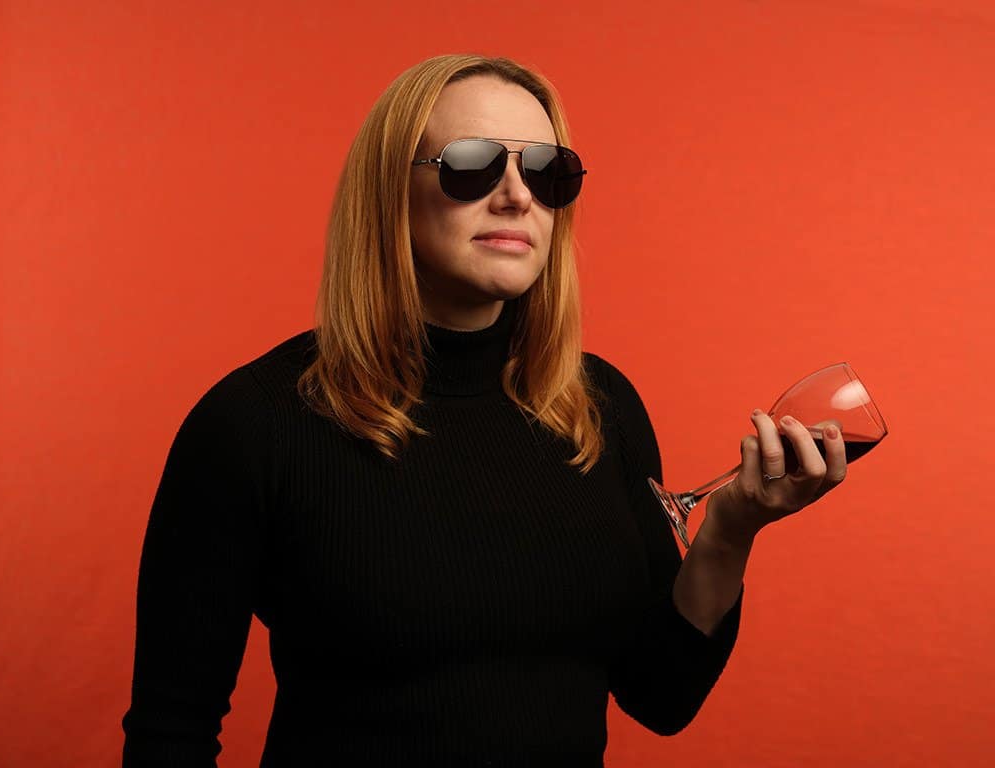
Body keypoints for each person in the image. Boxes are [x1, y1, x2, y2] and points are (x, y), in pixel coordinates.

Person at [121, 53, 848, 767]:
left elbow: (661, 696)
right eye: (471, 164)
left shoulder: (601, 410)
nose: (515, 196)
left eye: (545, 171)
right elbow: (170, 730)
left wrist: (729, 532)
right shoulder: (256, 424)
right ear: (388, 193)